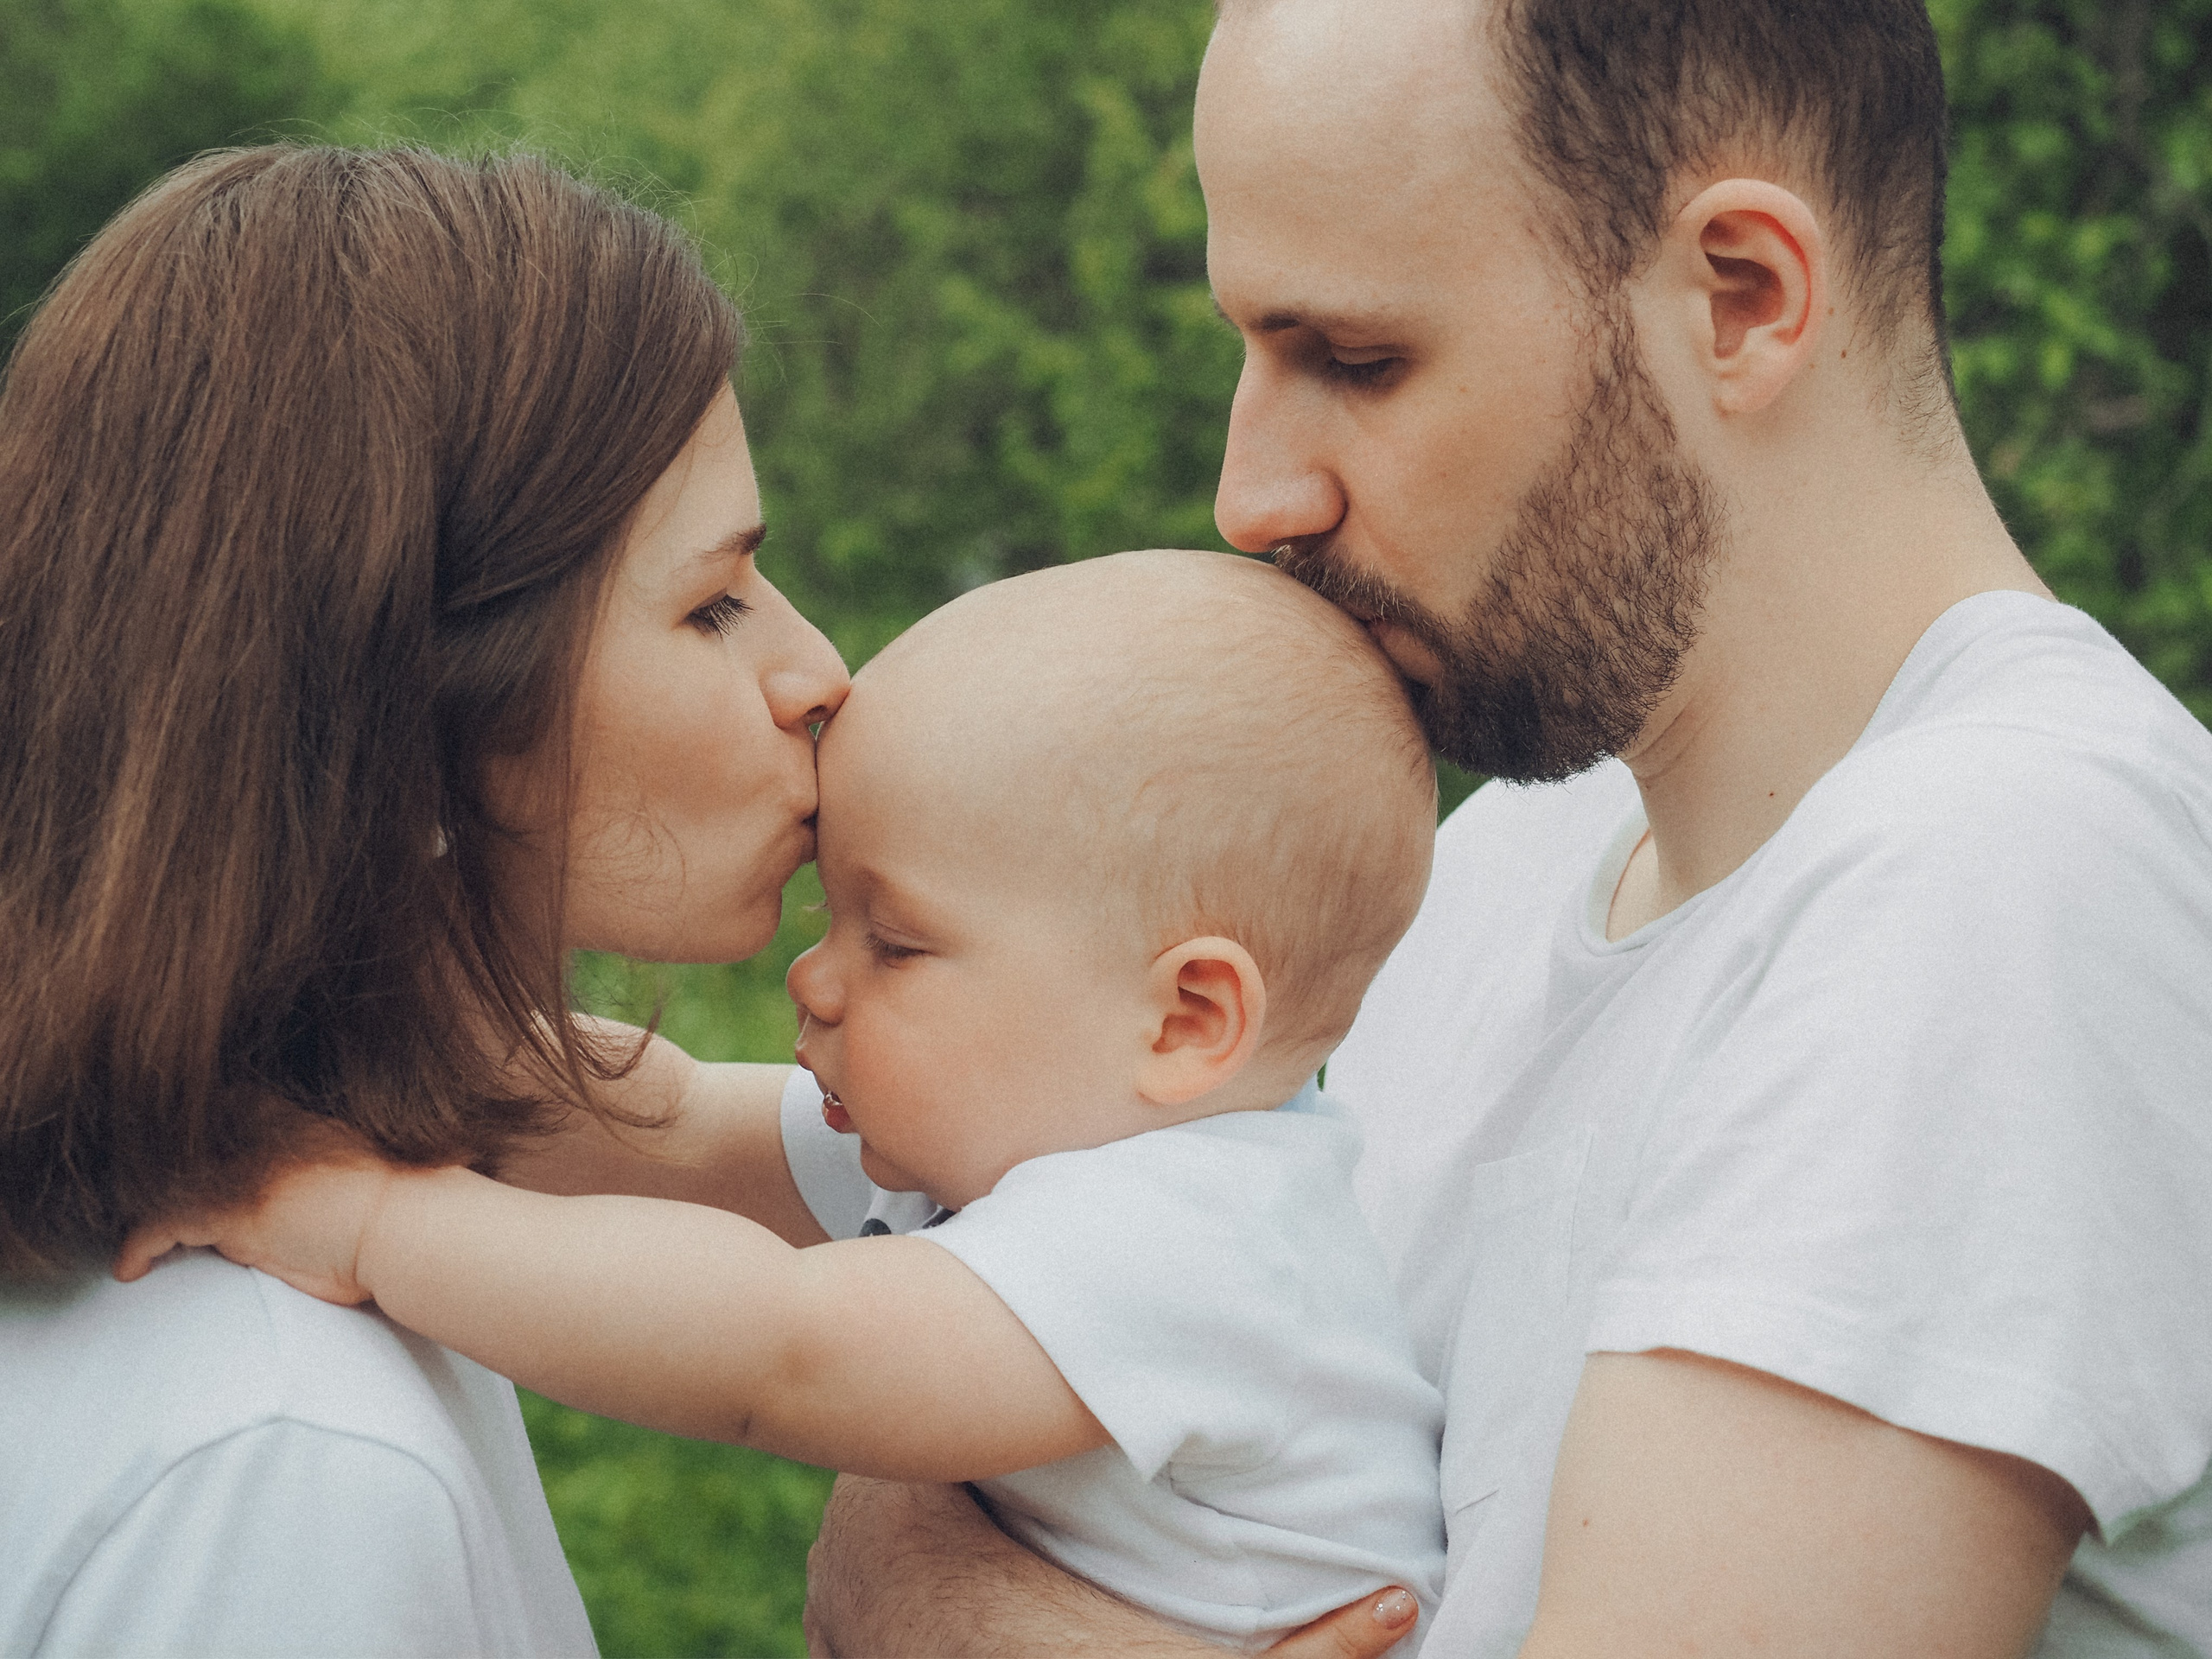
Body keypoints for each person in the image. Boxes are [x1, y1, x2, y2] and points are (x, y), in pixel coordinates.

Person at [796, 1, 2212, 1655]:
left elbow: (980, 1477)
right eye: (1251, 355)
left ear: (1742, 297)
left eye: (1357, 360)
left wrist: (924, 1594)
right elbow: (1074, 1336)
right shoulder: (1492, 876)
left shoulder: (2005, 876)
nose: (1250, 496)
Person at [121, 550, 1451, 1653]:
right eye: (836, 915)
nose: (814, 975)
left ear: (1187, 1018)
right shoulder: (1051, 1137)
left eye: (899, 942)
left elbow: (783, 1351)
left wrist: (368, 1228)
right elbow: (680, 1123)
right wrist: (376, 1028)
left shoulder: (1193, 1242)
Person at [0, 143, 850, 1655]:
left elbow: (735, 1139)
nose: (818, 676)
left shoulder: (199, 1234)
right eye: (713, 602)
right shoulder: (289, 1467)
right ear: (420, 715)